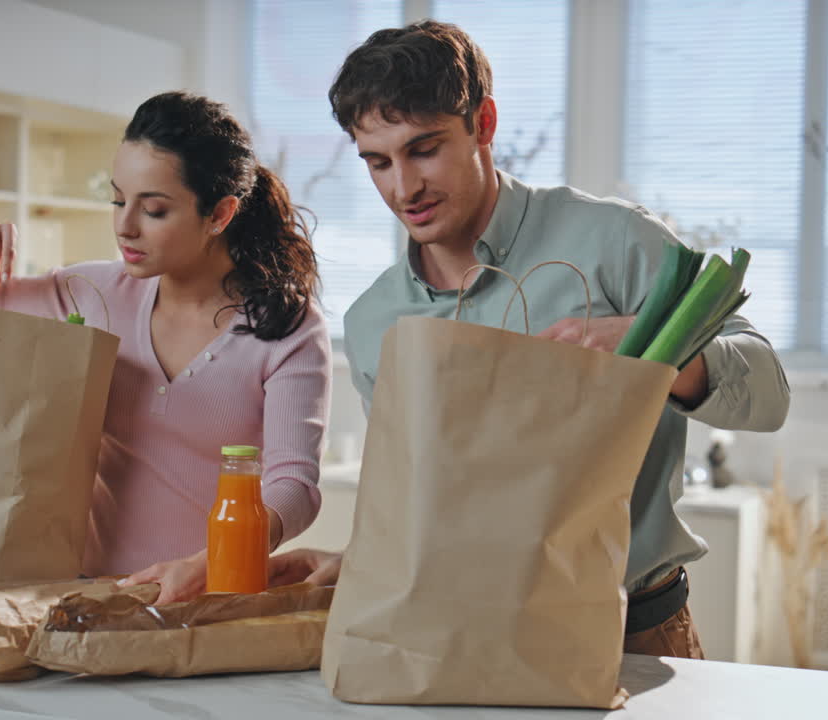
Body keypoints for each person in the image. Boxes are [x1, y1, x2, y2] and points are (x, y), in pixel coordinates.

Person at [268, 20, 790, 660]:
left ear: (483, 123)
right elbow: (421, 507)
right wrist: (354, 559)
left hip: (635, 636)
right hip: (462, 641)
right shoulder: (376, 320)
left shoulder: (613, 243)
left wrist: (651, 346)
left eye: (424, 148)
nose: (404, 188)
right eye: (378, 161)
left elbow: (769, 392)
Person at [0, 92, 332, 603]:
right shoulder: (91, 294)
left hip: (213, 598)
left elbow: (293, 485)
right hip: (90, 595)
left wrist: (210, 562)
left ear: (219, 214)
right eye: (117, 200)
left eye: (153, 209)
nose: (125, 225)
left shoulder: (288, 329)